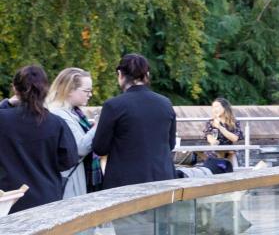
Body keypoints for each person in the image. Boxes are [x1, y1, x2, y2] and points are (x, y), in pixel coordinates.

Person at [0, 65, 79, 213]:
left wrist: (7, 103)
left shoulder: (3, 120)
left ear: (15, 89)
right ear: (45, 90)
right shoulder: (56, 123)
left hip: (9, 199)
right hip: (46, 198)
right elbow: (68, 161)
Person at [94, 54, 175, 190]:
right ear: (147, 75)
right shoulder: (165, 103)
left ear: (120, 74)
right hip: (163, 180)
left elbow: (100, 147)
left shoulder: (113, 105)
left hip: (125, 184)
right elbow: (170, 144)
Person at [47, 67, 98, 200]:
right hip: (70, 181)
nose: (90, 94)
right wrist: (97, 128)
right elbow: (80, 148)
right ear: (69, 90)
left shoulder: (73, 112)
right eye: (86, 91)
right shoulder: (59, 114)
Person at [203, 97, 241, 168]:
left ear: (225, 108)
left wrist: (220, 127)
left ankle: (234, 173)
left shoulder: (234, 122)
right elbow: (209, 136)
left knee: (231, 154)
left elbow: (235, 138)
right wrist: (213, 141)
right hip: (214, 151)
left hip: (229, 152)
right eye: (213, 107)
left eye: (217, 107)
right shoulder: (211, 122)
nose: (214, 109)